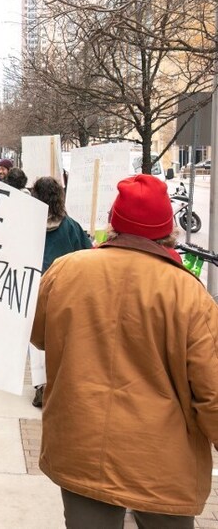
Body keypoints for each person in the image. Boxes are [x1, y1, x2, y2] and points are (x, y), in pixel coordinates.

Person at [31, 174, 218, 527]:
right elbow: (212, 390)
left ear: (113, 223)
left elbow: (40, 337)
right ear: (169, 231)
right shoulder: (189, 294)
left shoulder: (65, 271)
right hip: (162, 462)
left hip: (80, 447)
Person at [27, 176, 93, 408]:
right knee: (61, 337)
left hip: (35, 287)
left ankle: (40, 385)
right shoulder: (72, 227)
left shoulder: (27, 224)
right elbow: (87, 254)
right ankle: (58, 382)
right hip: (66, 289)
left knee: (36, 339)